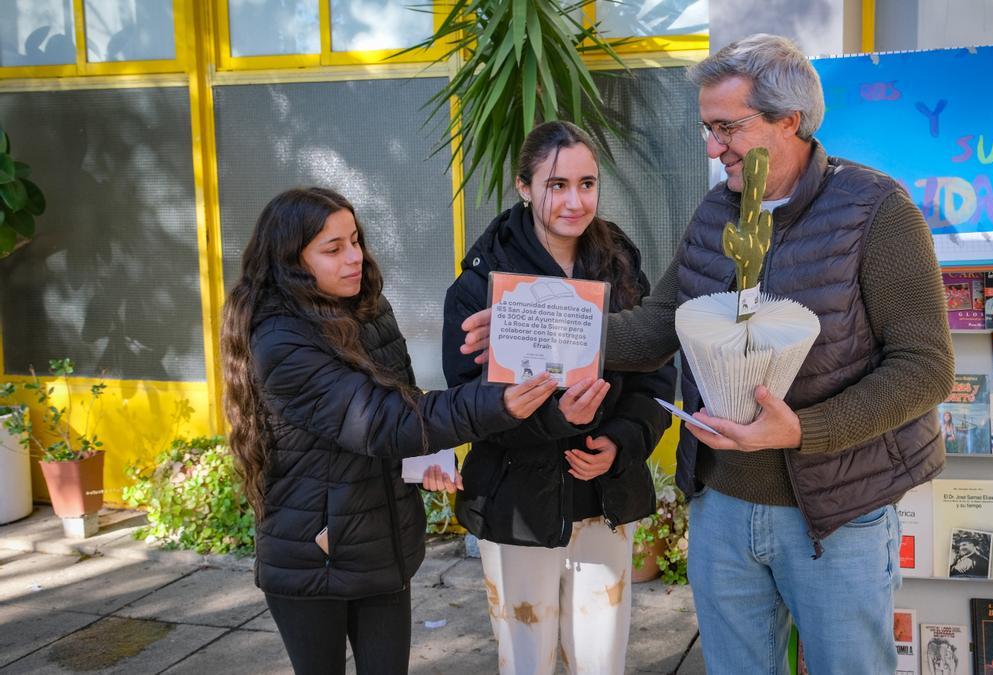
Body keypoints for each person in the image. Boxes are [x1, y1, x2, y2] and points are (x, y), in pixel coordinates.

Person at [457, 33, 955, 673]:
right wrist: (534, 324)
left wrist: (802, 430)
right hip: (721, 504)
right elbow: (659, 324)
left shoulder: (876, 212)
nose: (714, 146)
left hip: (835, 514)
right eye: (707, 129)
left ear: (789, 120)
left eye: (727, 128)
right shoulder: (717, 210)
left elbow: (925, 366)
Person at [220, 187, 558, 675]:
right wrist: (496, 402)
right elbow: (378, 422)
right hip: (314, 553)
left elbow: (403, 403)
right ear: (290, 261)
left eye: (354, 241)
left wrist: (430, 462)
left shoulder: (367, 308)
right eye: (332, 249)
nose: (354, 257)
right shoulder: (281, 340)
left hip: (382, 543)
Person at [432, 121, 675, 675]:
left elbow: (657, 374)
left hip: (604, 496)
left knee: (601, 659)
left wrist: (620, 441)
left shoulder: (620, 264)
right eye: (556, 185)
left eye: (586, 184)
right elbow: (469, 404)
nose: (575, 200)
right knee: (526, 660)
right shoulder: (480, 283)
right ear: (523, 186)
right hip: (518, 502)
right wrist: (554, 419)